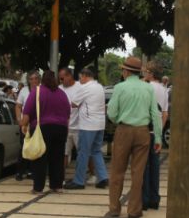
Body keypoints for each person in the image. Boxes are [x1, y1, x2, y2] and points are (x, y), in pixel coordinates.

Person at [106, 56, 161, 218]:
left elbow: (111, 113)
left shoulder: (120, 88)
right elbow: (155, 115)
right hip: (143, 132)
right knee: (138, 173)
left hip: (124, 130)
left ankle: (115, 209)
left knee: (117, 171)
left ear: (126, 71)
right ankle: (134, 210)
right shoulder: (148, 88)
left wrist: (119, 122)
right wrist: (157, 138)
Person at [21, 70, 70, 194]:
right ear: (56, 80)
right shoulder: (62, 94)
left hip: (42, 128)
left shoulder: (36, 92)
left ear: (42, 80)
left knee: (39, 157)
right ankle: (57, 186)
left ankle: (38, 188)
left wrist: (23, 125)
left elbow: (27, 114)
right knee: (57, 158)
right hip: (61, 128)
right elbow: (68, 113)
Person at [64, 67, 109, 190]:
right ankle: (103, 177)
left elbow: (74, 103)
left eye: (80, 78)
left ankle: (79, 181)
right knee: (96, 151)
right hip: (100, 124)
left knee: (83, 153)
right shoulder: (99, 87)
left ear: (84, 76)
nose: (80, 81)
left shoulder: (85, 87)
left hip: (88, 125)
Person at [141, 62, 169, 211]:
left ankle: (144, 200)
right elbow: (165, 113)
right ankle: (154, 198)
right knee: (155, 166)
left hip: (145, 130)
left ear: (151, 74)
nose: (144, 74)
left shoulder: (146, 87)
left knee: (143, 167)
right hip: (156, 132)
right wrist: (160, 130)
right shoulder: (164, 90)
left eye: (146, 71)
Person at [15, 71, 40, 180]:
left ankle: (33, 171)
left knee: (36, 147)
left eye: (36, 78)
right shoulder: (24, 91)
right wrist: (19, 120)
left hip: (38, 124)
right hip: (25, 124)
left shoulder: (42, 90)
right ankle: (21, 171)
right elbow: (18, 106)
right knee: (24, 147)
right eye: (31, 79)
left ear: (39, 80)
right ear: (28, 80)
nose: (34, 81)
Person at [58, 67, 82, 170]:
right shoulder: (59, 89)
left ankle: (92, 173)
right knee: (64, 153)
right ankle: (61, 177)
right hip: (64, 127)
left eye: (62, 78)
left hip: (79, 127)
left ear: (70, 76)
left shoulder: (80, 87)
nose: (61, 81)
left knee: (84, 153)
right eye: (60, 79)